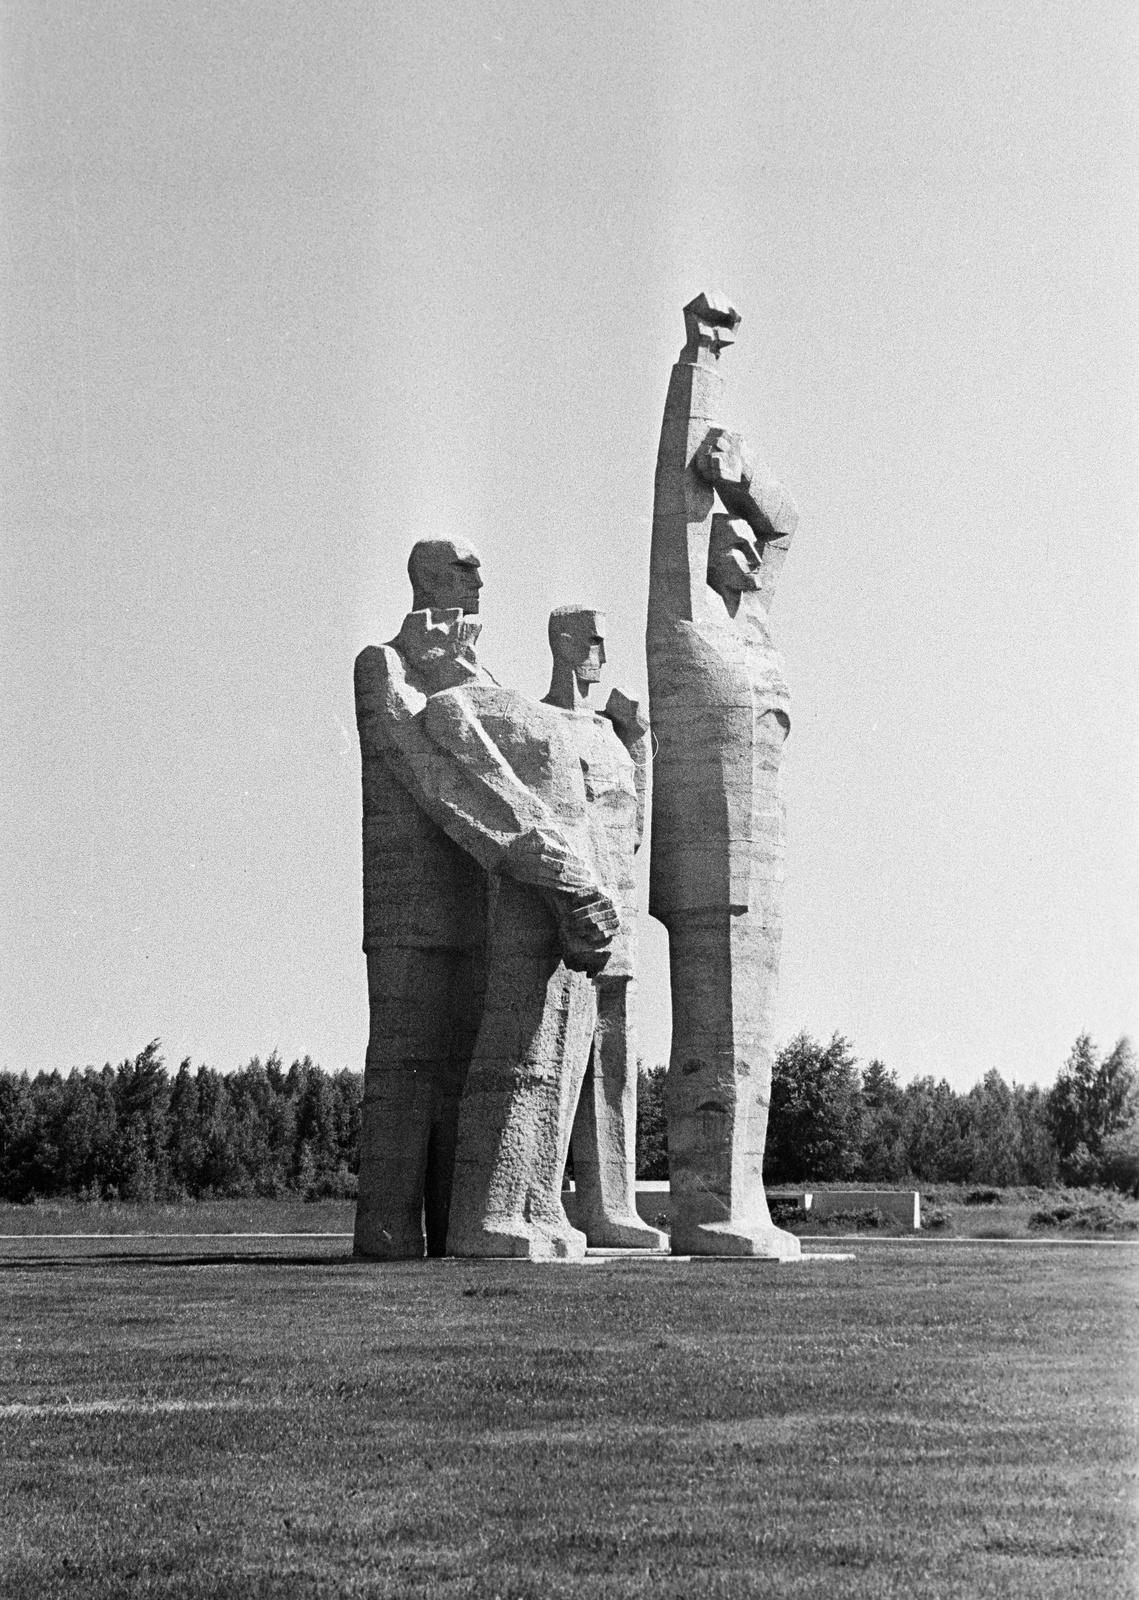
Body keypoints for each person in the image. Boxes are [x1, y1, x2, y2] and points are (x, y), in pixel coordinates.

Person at [541, 606, 666, 1250]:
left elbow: (635, 827)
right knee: (560, 1061)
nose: (600, 655)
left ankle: (611, 1204)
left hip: (618, 911)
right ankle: (545, 1199)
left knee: (616, 1063)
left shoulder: (613, 733)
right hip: (569, 919)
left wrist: (640, 739)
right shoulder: (541, 722)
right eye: (592, 642)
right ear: (562, 644)